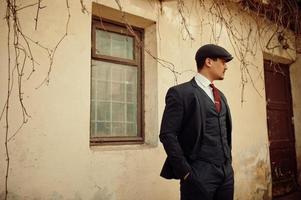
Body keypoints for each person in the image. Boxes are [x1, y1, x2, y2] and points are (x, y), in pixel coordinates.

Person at [159, 44, 234, 200]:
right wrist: (185, 172)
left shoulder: (221, 96)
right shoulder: (180, 93)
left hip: (226, 173)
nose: (226, 67)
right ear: (209, 62)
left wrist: (228, 164)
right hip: (198, 173)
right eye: (223, 61)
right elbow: (168, 134)